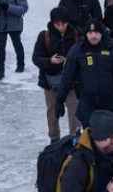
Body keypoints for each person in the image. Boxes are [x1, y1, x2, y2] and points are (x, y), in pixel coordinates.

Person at [55, 19, 113, 125]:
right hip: (87, 100)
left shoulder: (112, 47)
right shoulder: (78, 49)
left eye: (96, 33)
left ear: (102, 34)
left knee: (106, 133)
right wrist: (60, 100)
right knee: (91, 134)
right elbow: (67, 76)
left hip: (108, 99)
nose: (93, 36)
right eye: (90, 33)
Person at [32, 7, 80, 141]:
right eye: (57, 24)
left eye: (63, 24)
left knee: (74, 111)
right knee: (52, 112)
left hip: (72, 82)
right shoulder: (44, 36)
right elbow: (36, 58)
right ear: (53, 22)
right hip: (51, 82)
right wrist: (50, 61)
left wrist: (71, 61)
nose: (61, 27)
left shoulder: (76, 34)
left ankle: (75, 138)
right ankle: (54, 139)